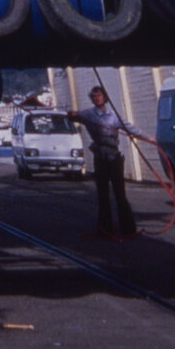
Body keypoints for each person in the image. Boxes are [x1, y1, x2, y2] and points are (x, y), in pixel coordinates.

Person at [66, 84, 155, 239]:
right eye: (94, 96)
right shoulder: (88, 115)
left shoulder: (113, 116)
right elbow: (72, 116)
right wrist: (71, 114)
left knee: (120, 194)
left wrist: (148, 138)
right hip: (100, 158)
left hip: (114, 158)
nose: (97, 98)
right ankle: (105, 230)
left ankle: (128, 230)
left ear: (105, 97)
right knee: (103, 196)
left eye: (99, 95)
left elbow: (130, 128)